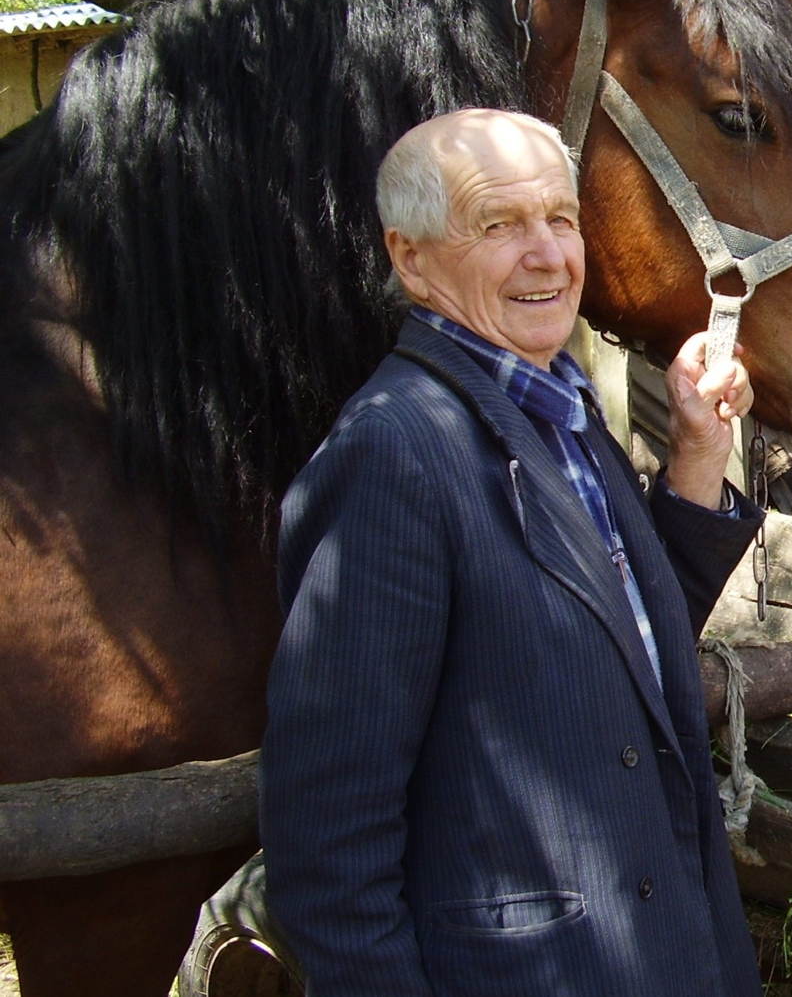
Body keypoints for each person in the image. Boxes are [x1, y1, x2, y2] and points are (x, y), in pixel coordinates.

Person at [259, 108, 765, 995]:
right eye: (499, 224)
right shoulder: (393, 454)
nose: (549, 256)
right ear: (410, 259)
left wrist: (694, 457)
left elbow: (624, 652)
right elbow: (327, 842)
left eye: (561, 220)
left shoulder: (559, 409)